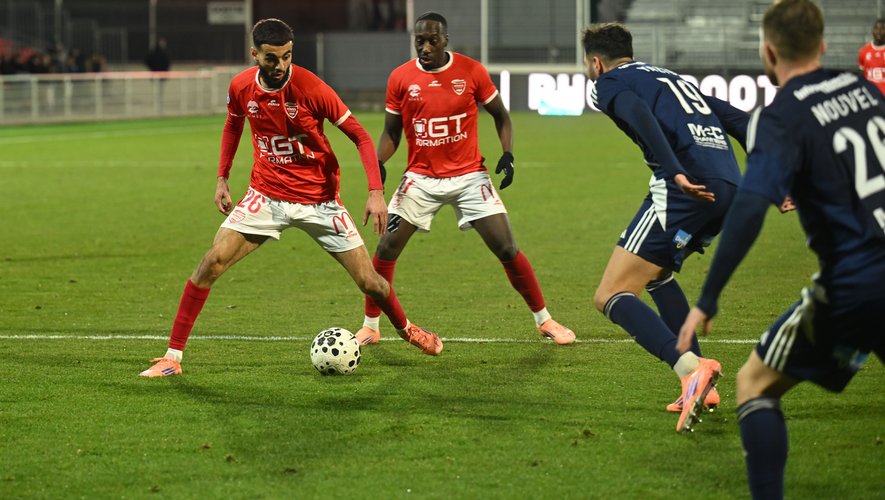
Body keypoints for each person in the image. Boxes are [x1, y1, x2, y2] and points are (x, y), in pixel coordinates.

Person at [140, 18, 442, 377]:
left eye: (286, 57)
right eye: (271, 58)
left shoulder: (311, 87)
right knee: (210, 263)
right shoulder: (240, 87)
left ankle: (407, 329)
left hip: (320, 201)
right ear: (255, 54)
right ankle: (172, 358)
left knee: (371, 283)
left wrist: (376, 192)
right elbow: (233, 124)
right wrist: (222, 176)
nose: (280, 66)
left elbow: (360, 136)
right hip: (265, 196)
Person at [679, 0, 885, 497]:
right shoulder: (863, 88)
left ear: (768, 52)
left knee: (754, 385)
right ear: (823, 45)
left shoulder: (783, 116)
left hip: (860, 279)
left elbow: (750, 207)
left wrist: (706, 300)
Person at [353, 11, 576, 348]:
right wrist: (380, 161)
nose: (425, 47)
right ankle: (371, 325)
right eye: (420, 41)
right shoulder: (400, 78)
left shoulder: (471, 71)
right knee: (386, 246)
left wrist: (508, 153)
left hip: (470, 176)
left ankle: (544, 320)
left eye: (432, 40)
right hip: (421, 178)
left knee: (506, 246)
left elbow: (501, 116)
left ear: (446, 40)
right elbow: (391, 132)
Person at [581, 22, 750, 432]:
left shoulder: (607, 83)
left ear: (596, 62)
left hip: (684, 191)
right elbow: (740, 119)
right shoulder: (672, 79)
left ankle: (690, 369)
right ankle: (701, 386)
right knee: (658, 275)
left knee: (610, 294)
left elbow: (639, 114)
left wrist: (673, 171)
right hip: (728, 190)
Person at [858, 18, 885, 95]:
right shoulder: (864, 51)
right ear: (872, 30)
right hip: (871, 96)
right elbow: (861, 76)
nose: (879, 32)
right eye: (876, 28)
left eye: (882, 29)